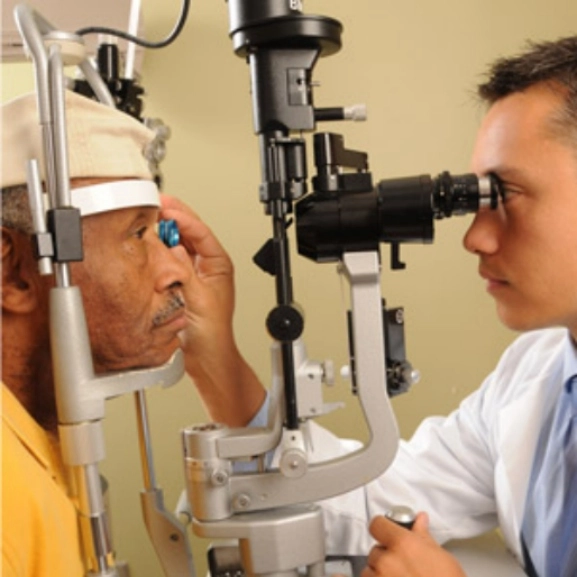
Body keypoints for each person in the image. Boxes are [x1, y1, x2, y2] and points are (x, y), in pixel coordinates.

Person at [200, 35, 577, 577]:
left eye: (505, 196)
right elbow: (377, 497)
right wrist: (207, 345)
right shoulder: (535, 373)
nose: (475, 238)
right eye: (478, 198)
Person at [1, 90, 265, 575]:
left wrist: (213, 351)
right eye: (136, 234)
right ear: (14, 271)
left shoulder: (40, 447)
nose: (178, 270)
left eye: (161, 233)